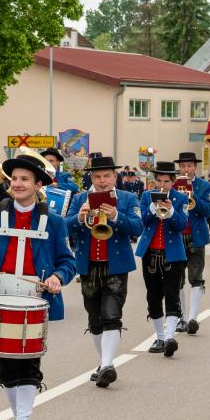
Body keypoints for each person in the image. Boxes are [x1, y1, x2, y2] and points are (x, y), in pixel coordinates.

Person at [0, 152, 75, 420]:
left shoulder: (55, 222)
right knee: (6, 367)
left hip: (34, 300)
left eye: (25, 179)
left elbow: (67, 261)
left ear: (38, 185)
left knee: (28, 364)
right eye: (14, 179)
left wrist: (58, 277)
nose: (17, 184)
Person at [65, 154, 142, 386]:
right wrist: (79, 218)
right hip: (88, 265)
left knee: (111, 315)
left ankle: (108, 365)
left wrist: (116, 216)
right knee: (95, 319)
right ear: (91, 177)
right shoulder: (80, 199)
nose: (102, 181)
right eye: (97, 176)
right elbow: (64, 228)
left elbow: (138, 227)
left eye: (107, 176)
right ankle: (103, 362)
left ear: (115, 176)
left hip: (116, 265)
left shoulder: (128, 198)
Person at [135, 160, 189, 356]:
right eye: (159, 181)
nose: (162, 185)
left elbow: (182, 225)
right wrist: (153, 207)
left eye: (166, 181)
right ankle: (159, 336)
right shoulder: (146, 196)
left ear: (173, 181)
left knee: (172, 295)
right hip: (150, 253)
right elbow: (141, 222)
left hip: (173, 254)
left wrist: (171, 210)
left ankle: (169, 338)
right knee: (153, 295)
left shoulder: (181, 198)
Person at [175, 151, 210, 334]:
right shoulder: (173, 185)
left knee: (196, 277)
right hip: (177, 236)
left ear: (195, 167)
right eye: (183, 166)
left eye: (189, 166)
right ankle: (181, 318)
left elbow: (208, 210)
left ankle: (192, 318)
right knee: (177, 279)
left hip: (196, 237)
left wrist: (192, 195)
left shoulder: (204, 186)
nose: (186, 169)